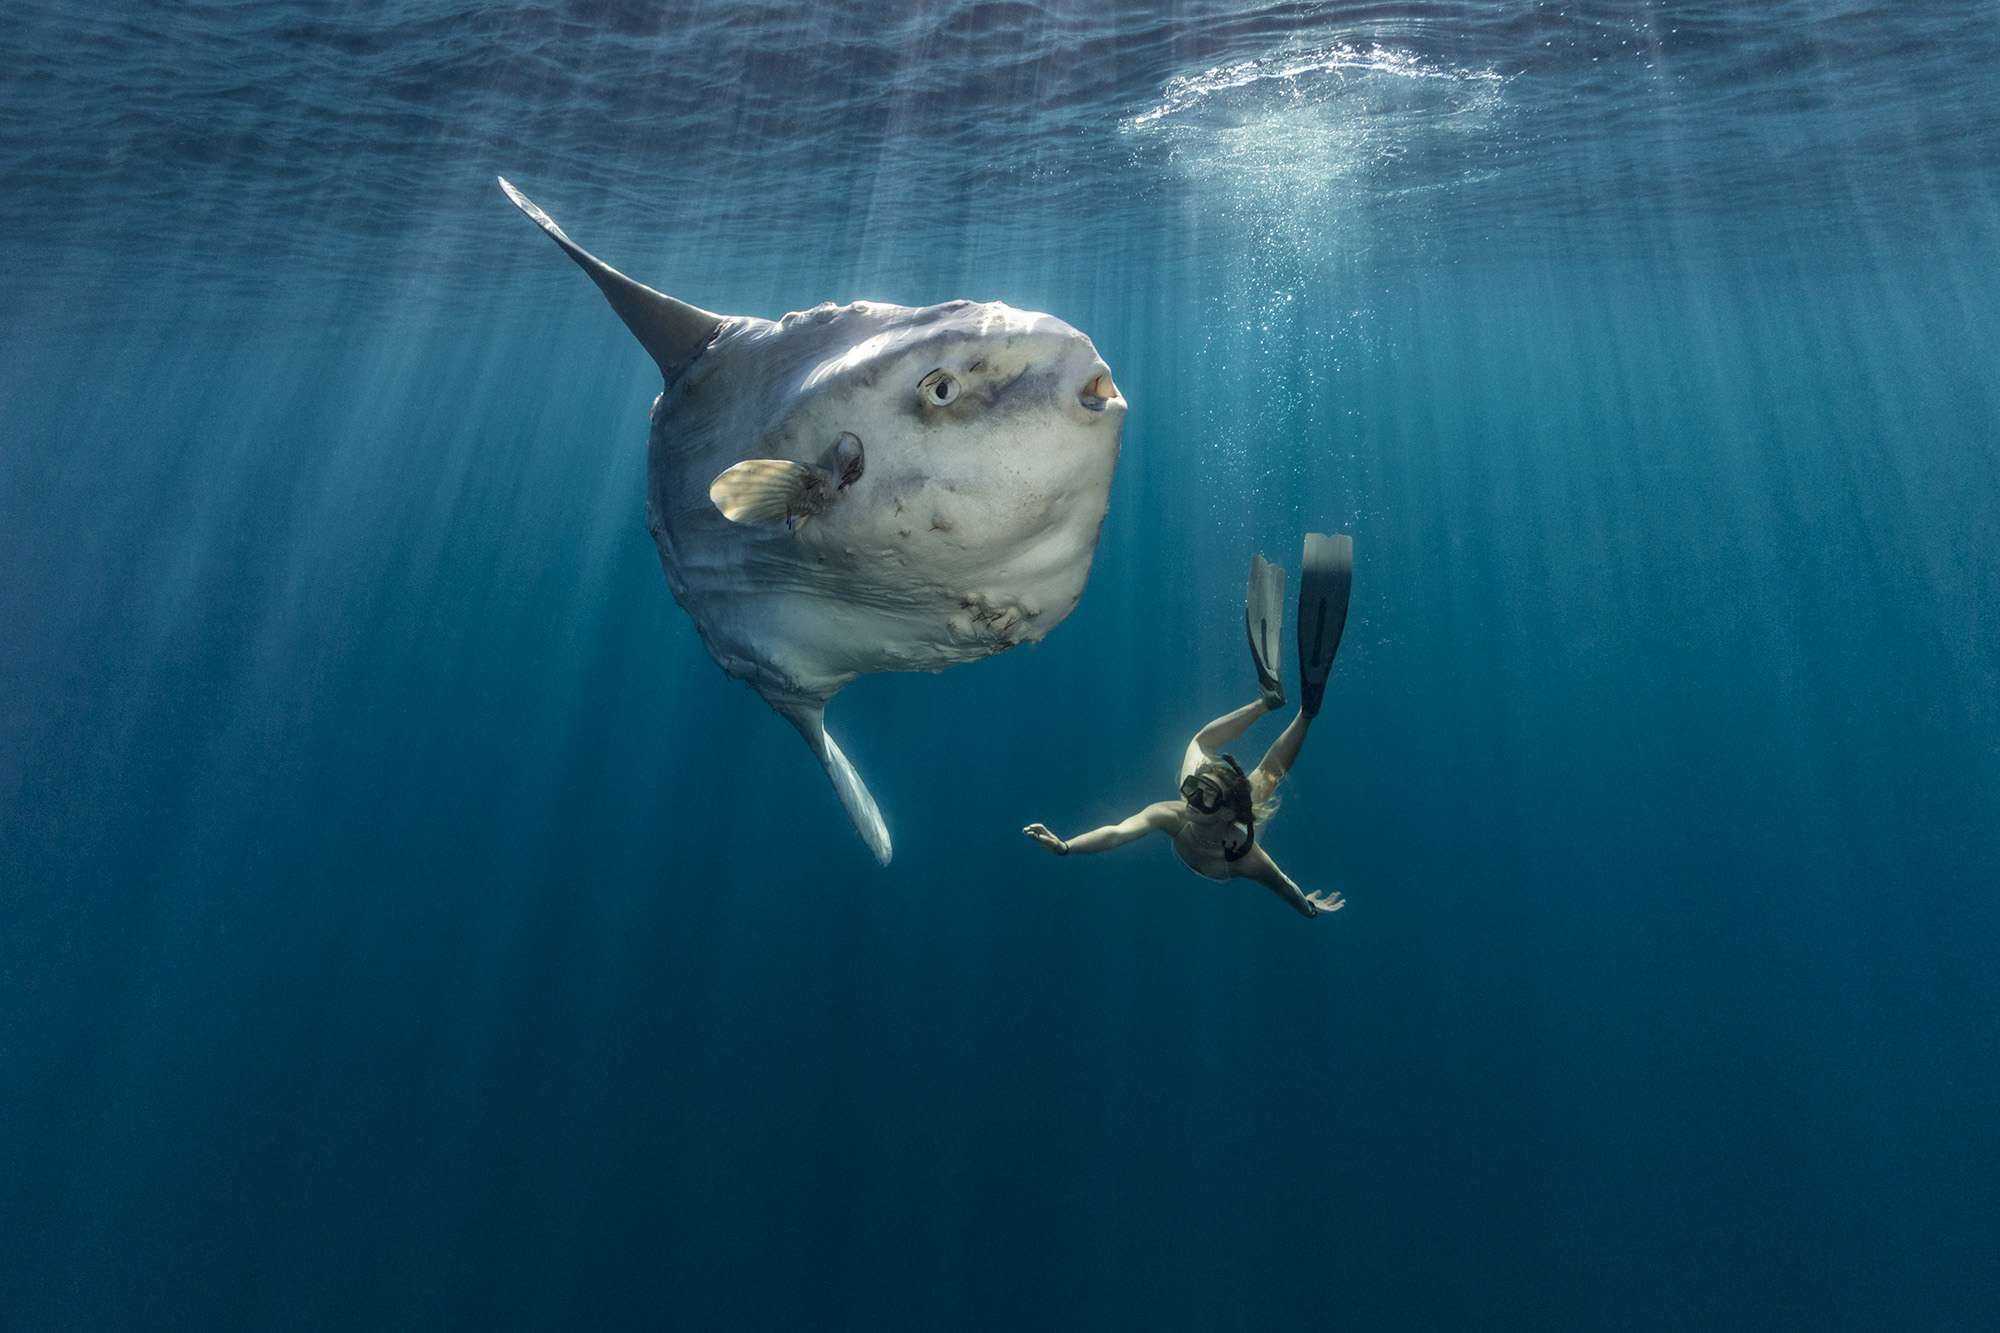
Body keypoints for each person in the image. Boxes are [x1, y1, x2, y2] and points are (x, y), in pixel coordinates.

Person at [1023, 534, 1354, 919]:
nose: (1191, 800)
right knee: (1203, 745)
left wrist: (1308, 908)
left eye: (1202, 796)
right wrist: (1066, 846)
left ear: (1227, 813)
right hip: (1231, 808)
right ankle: (1267, 702)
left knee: (1264, 779)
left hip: (1239, 821)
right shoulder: (1174, 814)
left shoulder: (1246, 857)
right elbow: (1117, 832)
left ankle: (1304, 713)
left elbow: (1283, 885)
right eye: (1193, 789)